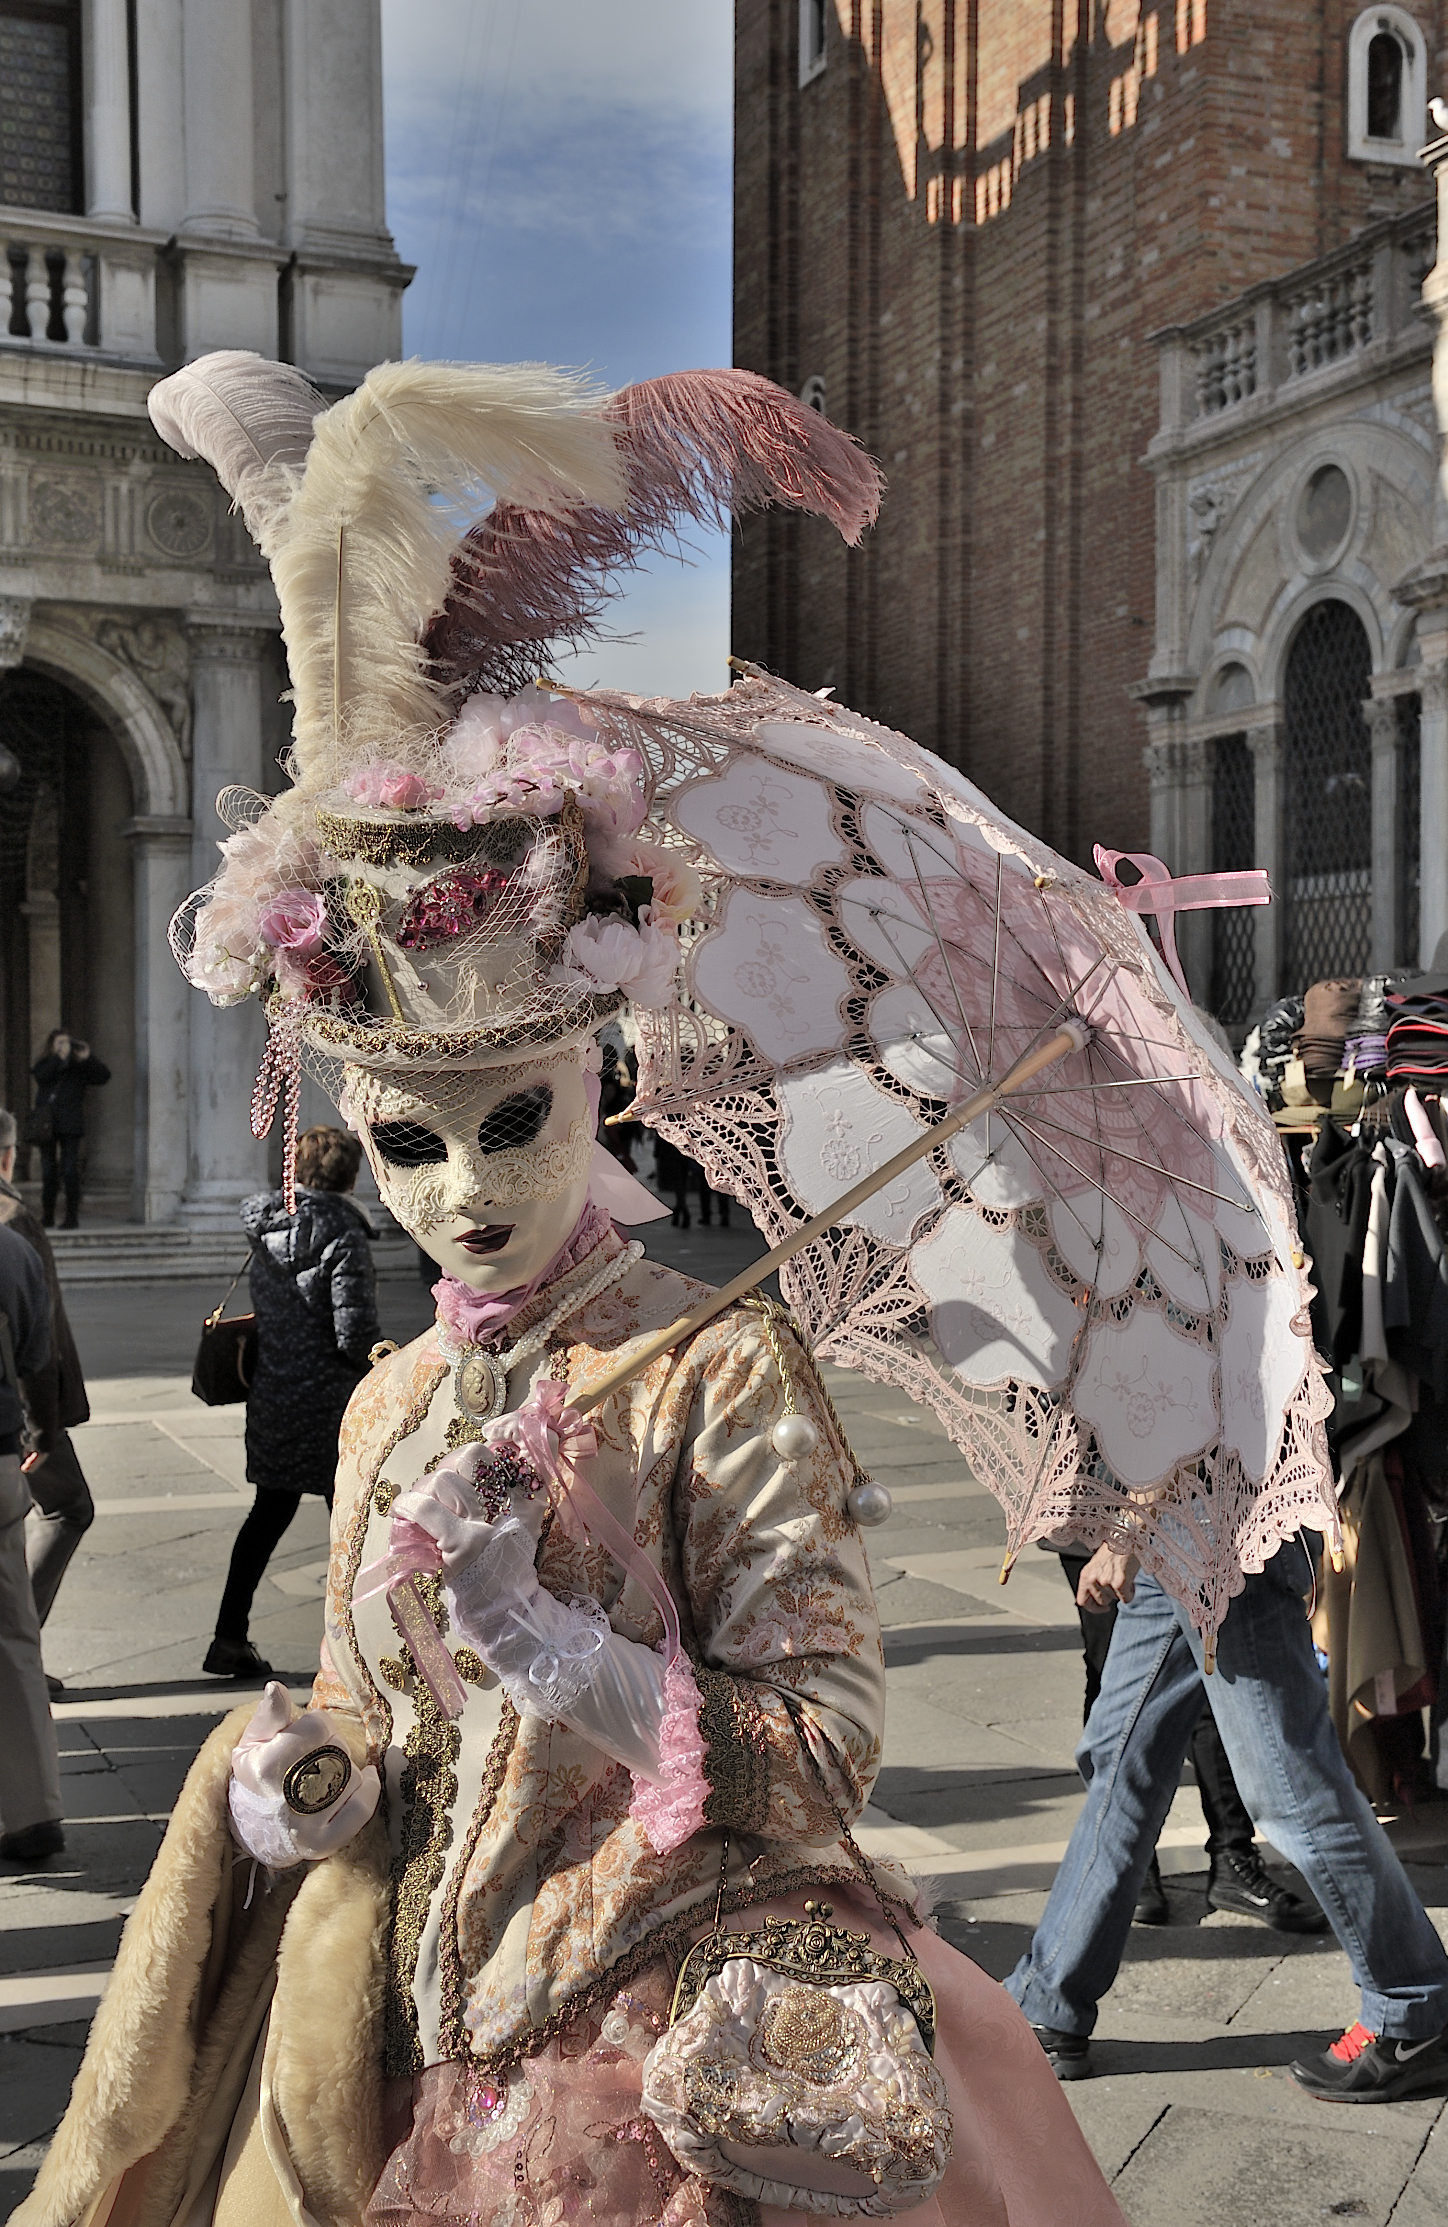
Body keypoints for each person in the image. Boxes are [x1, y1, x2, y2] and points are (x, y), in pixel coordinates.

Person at [15, 351, 1127, 2227]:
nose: (460, 1192)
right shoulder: (381, 1400)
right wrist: (309, 1774)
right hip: (426, 2030)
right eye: (407, 1144)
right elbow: (374, 1712)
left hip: (668, 2052)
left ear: (598, 1078)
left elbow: (829, 1731)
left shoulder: (708, 1365)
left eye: (507, 1120)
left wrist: (579, 1657)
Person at [1008, 1539, 1448, 2103]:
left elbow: (1197, 1444)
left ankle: (1413, 2010)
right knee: (1122, 1758)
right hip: (1168, 1540)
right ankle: (1049, 2000)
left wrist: (1127, 1533)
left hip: (1220, 1536)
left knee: (1292, 1788)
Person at [1057, 1542, 1325, 1935]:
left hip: (1183, 1518)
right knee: (1111, 1671)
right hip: (1100, 1511)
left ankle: (1232, 1855)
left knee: (1209, 1667)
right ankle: (1128, 1866)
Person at [204, 1125, 381, 1681]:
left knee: (267, 1516)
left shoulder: (267, 1228)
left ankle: (228, 1636)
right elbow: (354, 1334)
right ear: (350, 1175)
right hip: (332, 1403)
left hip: (276, 1393)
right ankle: (362, 1649)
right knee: (354, 1527)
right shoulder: (342, 1233)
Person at [0, 1108, 95, 1691]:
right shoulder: (15, 1220)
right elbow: (40, 1335)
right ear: (9, 1155)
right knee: (67, 1508)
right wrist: (45, 1428)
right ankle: (19, 1655)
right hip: (17, 1415)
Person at [0, 1218, 64, 1864]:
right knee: (14, 1636)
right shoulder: (12, 1248)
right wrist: (41, 1433)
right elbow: (37, 1358)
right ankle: (33, 1812)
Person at [29, 1030, 110, 1229]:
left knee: (69, 1170)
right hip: (47, 1124)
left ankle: (71, 1217)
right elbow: (41, 1076)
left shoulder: (79, 1067)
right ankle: (48, 1215)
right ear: (52, 1045)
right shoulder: (46, 1062)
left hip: (70, 1124)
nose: (64, 1046)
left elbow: (103, 1076)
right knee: (48, 1172)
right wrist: (58, 1058)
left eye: (67, 1042)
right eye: (60, 1042)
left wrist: (88, 1058)